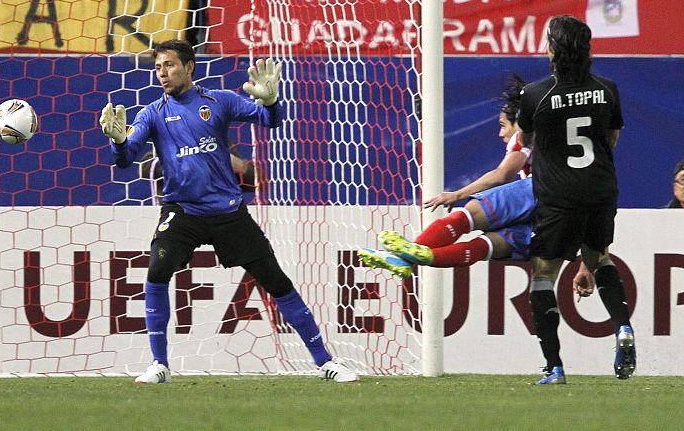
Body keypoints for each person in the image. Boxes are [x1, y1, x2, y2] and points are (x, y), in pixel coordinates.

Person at [100, 39, 357, 384]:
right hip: (183, 212)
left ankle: (326, 362)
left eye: (170, 66)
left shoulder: (217, 101)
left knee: (276, 281)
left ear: (190, 67)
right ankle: (159, 365)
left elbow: (270, 120)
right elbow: (126, 159)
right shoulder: (152, 114)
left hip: (227, 211)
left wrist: (271, 101)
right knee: (157, 272)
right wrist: (118, 142)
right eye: (158, 67)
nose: (162, 73)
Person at [518, 14, 634, 385]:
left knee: (543, 275)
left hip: (559, 198)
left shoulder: (536, 94)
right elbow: (611, 137)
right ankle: (623, 327)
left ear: (553, 50)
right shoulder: (608, 88)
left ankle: (554, 367)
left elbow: (524, 142)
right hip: (601, 190)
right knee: (599, 258)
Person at [358, 74, 538, 276]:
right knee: (489, 245)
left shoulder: (525, 134)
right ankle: (418, 257)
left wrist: (457, 194)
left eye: (503, 125)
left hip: (540, 190)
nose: (500, 133)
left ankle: (404, 258)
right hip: (560, 215)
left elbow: (503, 174)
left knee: (468, 213)